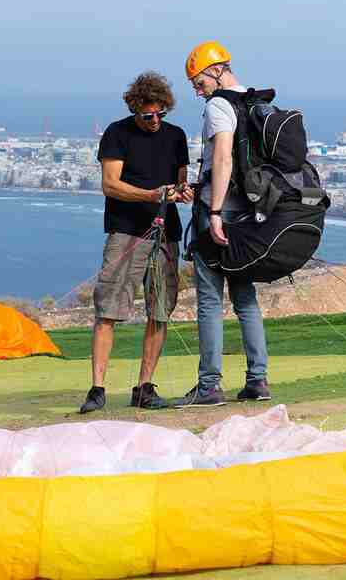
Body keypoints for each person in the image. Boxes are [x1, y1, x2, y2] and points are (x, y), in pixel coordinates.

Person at [79, 71, 192, 413]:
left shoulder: (176, 136)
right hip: (126, 231)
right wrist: (151, 194)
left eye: (161, 114)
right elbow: (110, 185)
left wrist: (180, 192)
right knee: (108, 309)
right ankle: (97, 389)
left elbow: (180, 182)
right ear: (135, 109)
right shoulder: (117, 133)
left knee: (160, 311)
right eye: (148, 116)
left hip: (165, 234)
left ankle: (144, 386)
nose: (155, 121)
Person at [176, 41, 271, 407]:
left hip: (219, 212)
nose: (196, 90)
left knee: (210, 300)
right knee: (245, 297)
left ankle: (209, 386)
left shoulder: (219, 106)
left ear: (216, 70)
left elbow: (223, 158)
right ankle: (258, 380)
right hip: (251, 212)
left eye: (198, 80)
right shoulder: (255, 102)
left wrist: (214, 212)